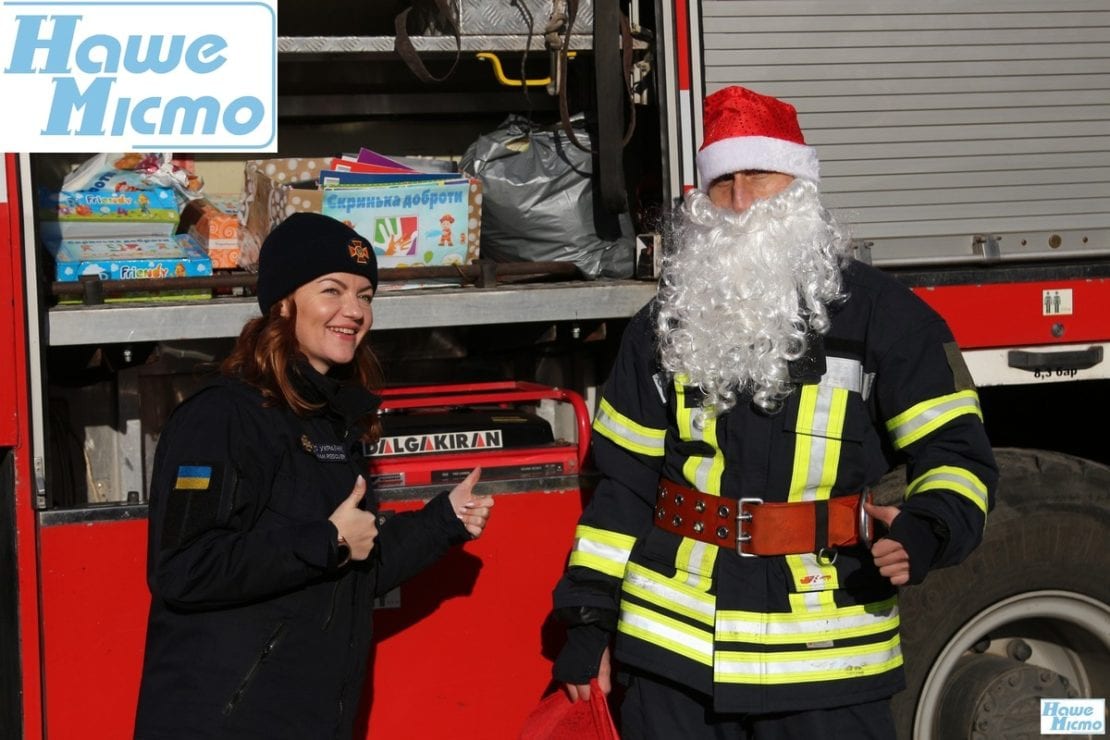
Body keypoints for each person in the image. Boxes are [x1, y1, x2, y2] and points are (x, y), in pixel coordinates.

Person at [549, 85, 997, 738]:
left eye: (757, 175)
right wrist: (588, 617)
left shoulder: (887, 319)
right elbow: (623, 486)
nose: (738, 200)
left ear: (799, 190)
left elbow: (956, 455)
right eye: (722, 181)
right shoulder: (662, 327)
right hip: (674, 661)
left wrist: (928, 528)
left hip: (827, 664)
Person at [134, 213, 494, 739]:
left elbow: (348, 570)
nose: (355, 311)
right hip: (228, 722)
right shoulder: (223, 417)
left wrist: (443, 521)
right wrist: (327, 541)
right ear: (283, 303)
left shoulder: (329, 421)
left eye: (366, 295)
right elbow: (184, 568)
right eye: (333, 290)